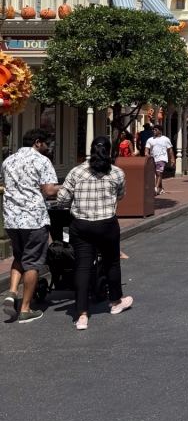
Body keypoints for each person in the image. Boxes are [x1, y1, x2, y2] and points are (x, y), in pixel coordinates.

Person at [57, 136, 130, 330]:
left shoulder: (77, 171)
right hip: (107, 224)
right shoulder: (117, 173)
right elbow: (121, 195)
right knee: (112, 262)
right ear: (109, 151)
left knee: (83, 267)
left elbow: (62, 198)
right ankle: (115, 302)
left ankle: (81, 314)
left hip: (81, 225)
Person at [1, 127, 60, 324]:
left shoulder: (8, 161)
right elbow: (49, 190)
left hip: (11, 218)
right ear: (37, 142)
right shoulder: (42, 161)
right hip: (33, 218)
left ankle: (11, 293)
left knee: (19, 256)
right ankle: (25, 309)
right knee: (33, 262)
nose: (48, 146)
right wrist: (68, 186)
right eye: (46, 142)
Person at [144, 125, 175, 196]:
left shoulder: (166, 139)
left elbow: (170, 149)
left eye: (155, 130)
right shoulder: (150, 140)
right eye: (153, 130)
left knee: (158, 173)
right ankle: (160, 188)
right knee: (157, 174)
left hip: (162, 159)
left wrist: (172, 158)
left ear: (160, 131)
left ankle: (155, 188)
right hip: (153, 159)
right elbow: (147, 148)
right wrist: (146, 153)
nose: (153, 131)